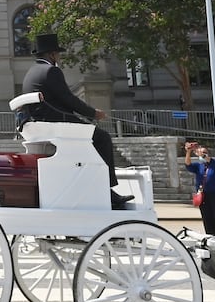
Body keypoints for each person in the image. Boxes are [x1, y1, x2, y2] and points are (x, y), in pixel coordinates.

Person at [19, 34, 132, 209]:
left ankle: (94, 183)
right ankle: (106, 189)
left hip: (40, 121)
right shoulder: (51, 71)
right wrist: (93, 113)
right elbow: (68, 99)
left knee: (90, 144)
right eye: (57, 54)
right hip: (55, 121)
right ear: (52, 55)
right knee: (102, 138)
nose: (59, 58)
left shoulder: (32, 72)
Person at [183, 140, 215, 236]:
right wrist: (189, 152)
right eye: (201, 153)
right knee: (207, 217)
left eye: (205, 153)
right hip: (203, 196)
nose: (202, 155)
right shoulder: (199, 166)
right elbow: (188, 164)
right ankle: (210, 236)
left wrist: (201, 154)